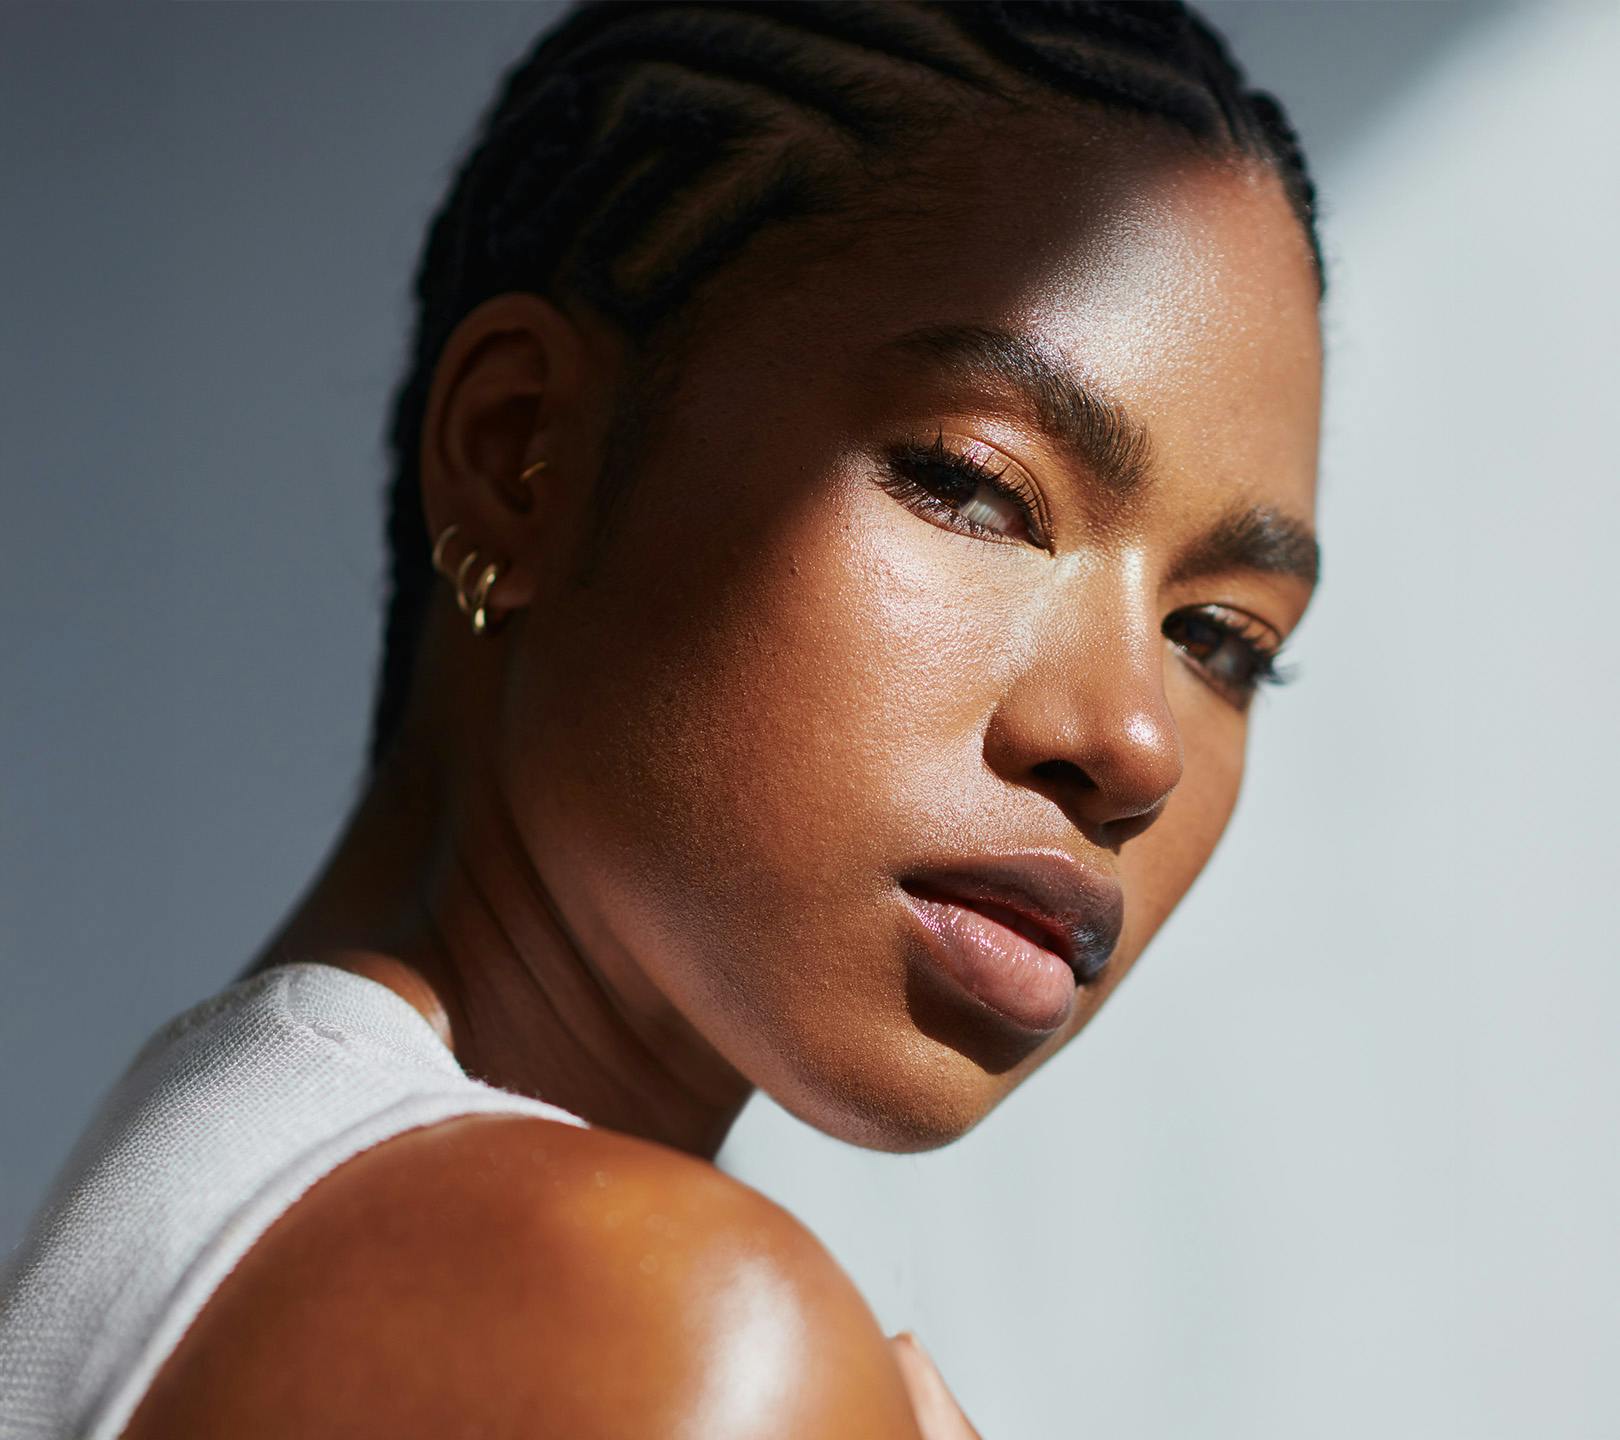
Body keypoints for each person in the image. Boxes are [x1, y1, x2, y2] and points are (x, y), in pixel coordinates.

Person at [0, 3, 1324, 1435]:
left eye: (1222, 638)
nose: (1137, 742)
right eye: (973, 485)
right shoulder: (677, 1340)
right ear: (520, 456)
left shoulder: (196, 1194)